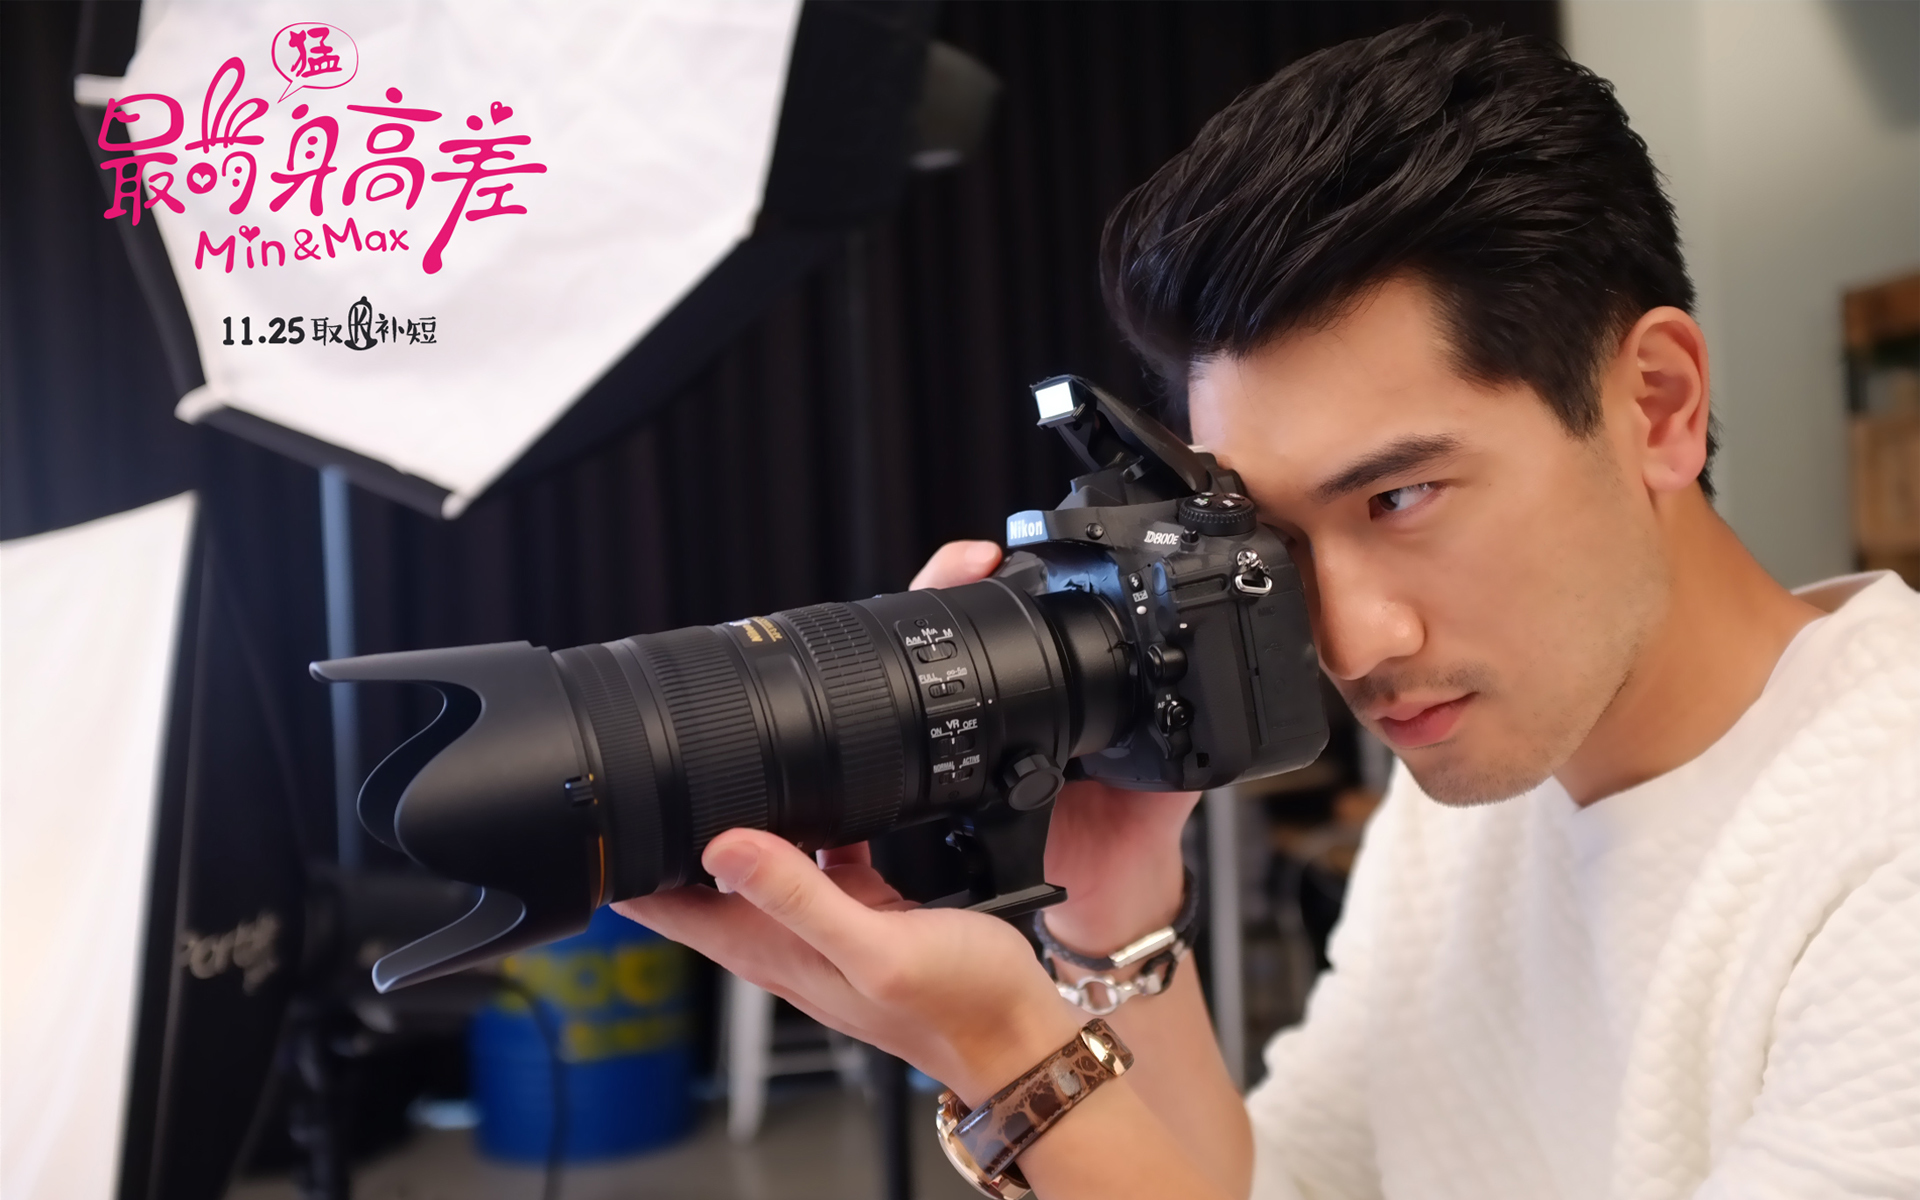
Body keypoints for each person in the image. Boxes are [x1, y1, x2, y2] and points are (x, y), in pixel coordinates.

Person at [620, 18, 1920, 1199]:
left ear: (1657, 405)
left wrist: (1010, 1051)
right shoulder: (1472, 793)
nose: (1348, 644)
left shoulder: (1883, 833)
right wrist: (1111, 911)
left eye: (1401, 496)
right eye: (1277, 542)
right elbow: (1277, 1186)